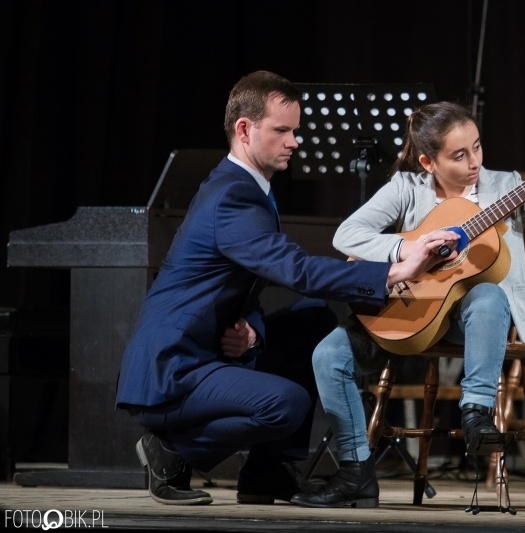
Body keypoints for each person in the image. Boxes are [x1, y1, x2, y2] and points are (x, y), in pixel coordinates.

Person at [115, 71, 458, 506]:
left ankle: (266, 472)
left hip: (208, 351)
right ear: (244, 129)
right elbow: (294, 270)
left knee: (312, 318)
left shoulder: (245, 188)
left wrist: (253, 329)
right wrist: (393, 270)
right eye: (282, 131)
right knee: (287, 404)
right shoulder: (232, 196)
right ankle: (170, 452)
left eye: (295, 130)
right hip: (174, 367)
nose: (294, 141)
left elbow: (245, 288)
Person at [291, 101, 525, 508]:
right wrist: (410, 248)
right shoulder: (406, 187)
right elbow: (348, 235)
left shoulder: (507, 186)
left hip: (476, 320)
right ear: (427, 161)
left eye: (477, 147)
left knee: (488, 294)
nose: (474, 162)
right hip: (412, 310)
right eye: (459, 155)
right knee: (328, 356)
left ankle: (476, 414)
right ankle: (355, 472)